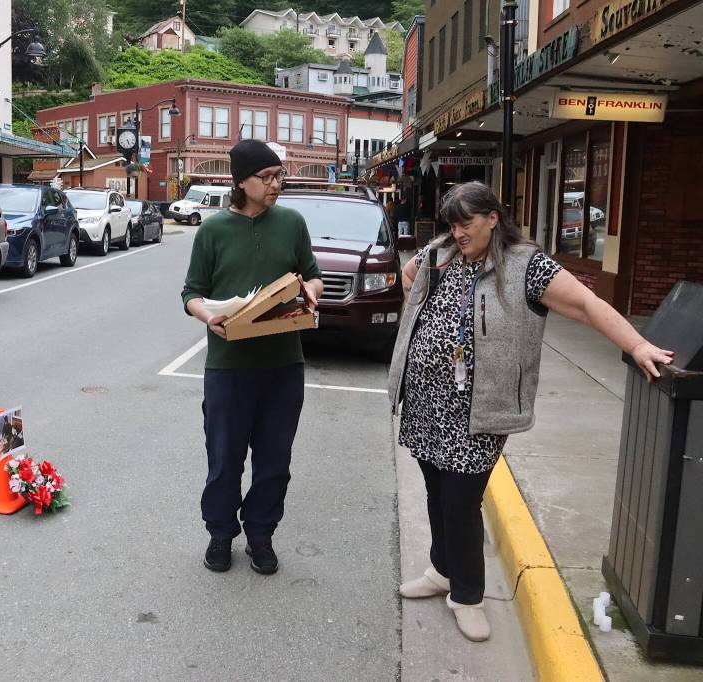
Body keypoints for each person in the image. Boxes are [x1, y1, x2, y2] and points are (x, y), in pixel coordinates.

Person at [388, 181, 672, 642]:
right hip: (425, 397)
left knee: (461, 501)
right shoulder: (441, 252)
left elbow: (585, 304)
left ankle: (468, 594)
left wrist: (637, 344)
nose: (458, 232)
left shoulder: (526, 266)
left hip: (480, 408)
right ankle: (442, 570)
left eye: (467, 223)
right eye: (452, 224)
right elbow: (408, 275)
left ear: (493, 217)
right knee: (436, 490)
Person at [181, 139, 324, 575]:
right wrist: (209, 315)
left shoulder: (292, 223)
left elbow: (312, 276)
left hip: (284, 364)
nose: (276, 183)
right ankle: (220, 535)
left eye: (279, 175)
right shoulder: (212, 231)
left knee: (275, 459)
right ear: (241, 181)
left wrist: (308, 297)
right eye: (267, 176)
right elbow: (191, 293)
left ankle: (261, 535)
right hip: (229, 366)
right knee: (224, 458)